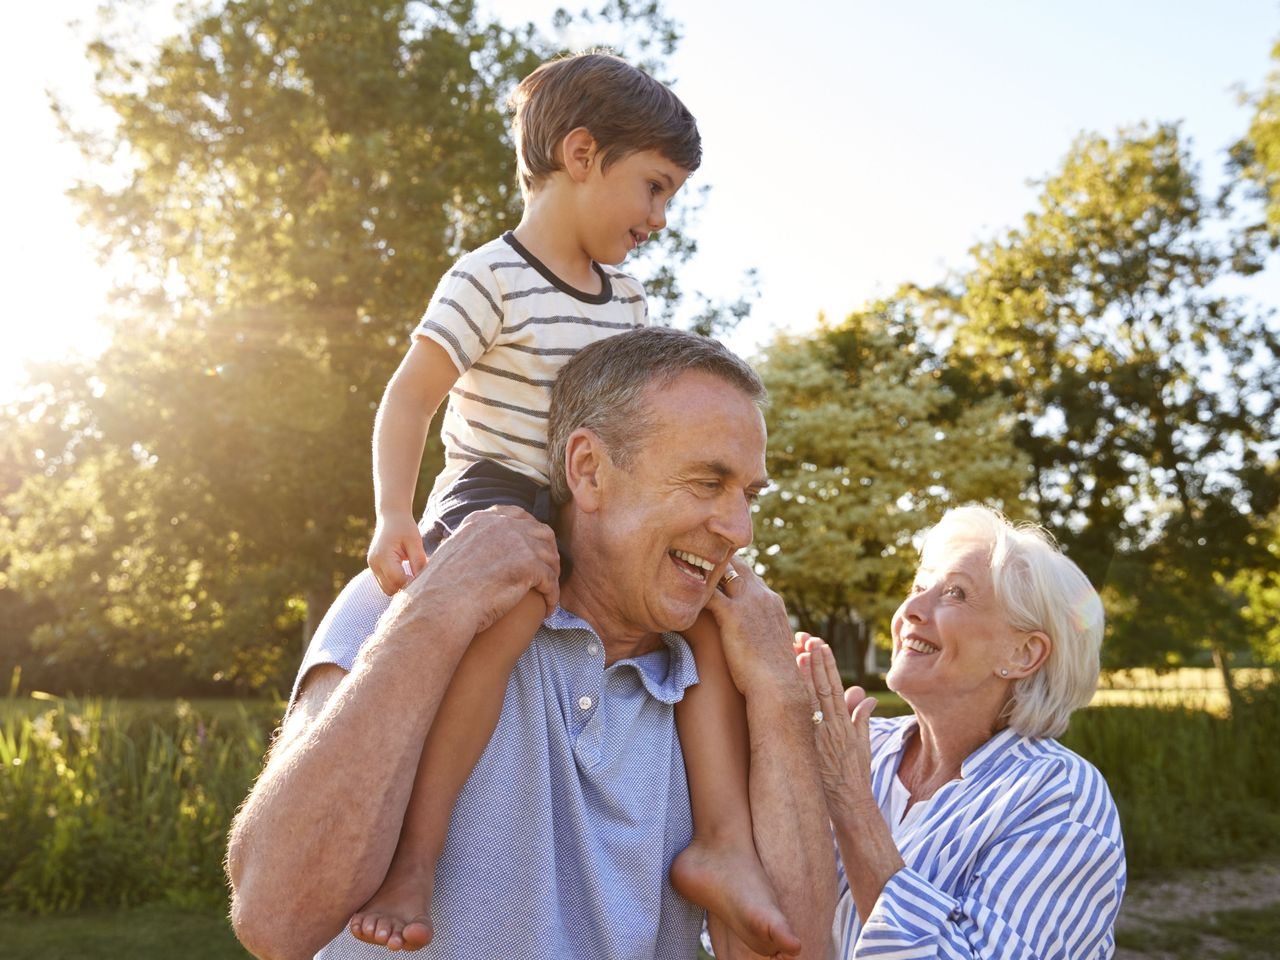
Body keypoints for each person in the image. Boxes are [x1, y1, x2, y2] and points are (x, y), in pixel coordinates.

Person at [293, 52, 785, 952]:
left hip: (579, 499)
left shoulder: (627, 301)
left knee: (711, 609)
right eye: (654, 187)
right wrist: (394, 515)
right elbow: (409, 398)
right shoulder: (491, 278)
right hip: (493, 495)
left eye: (671, 196)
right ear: (583, 153)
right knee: (516, 606)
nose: (658, 219)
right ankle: (417, 855)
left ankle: (722, 843)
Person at [226, 327, 837, 960]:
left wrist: (778, 693)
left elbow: (796, 951)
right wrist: (430, 614)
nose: (740, 530)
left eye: (749, 495)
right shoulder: (412, 596)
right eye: (707, 484)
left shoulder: (723, 672)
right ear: (589, 471)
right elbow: (277, 917)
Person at [796, 505, 1126, 959]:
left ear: (1023, 652)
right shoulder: (859, 744)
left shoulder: (1061, 796)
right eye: (918, 586)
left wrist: (849, 799)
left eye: (954, 593)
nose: (910, 609)